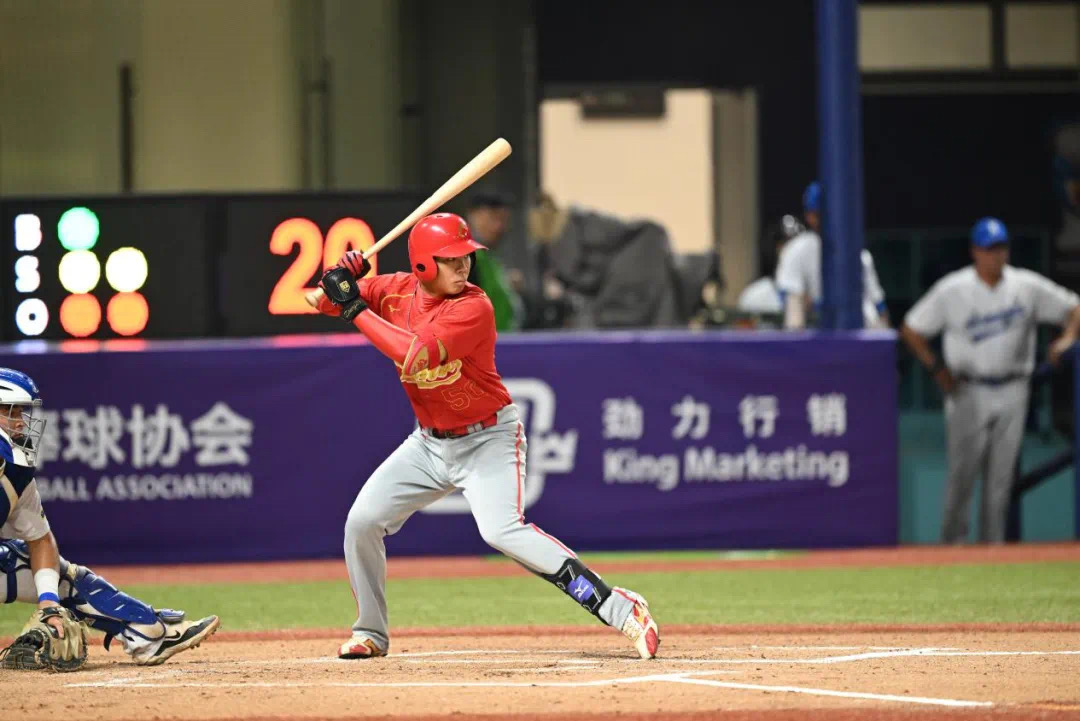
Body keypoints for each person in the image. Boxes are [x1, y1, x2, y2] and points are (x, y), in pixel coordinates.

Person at [313, 213, 660, 660]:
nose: (464, 267)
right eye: (452, 259)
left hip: (489, 439)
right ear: (422, 266)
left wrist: (353, 306)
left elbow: (412, 356)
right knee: (361, 522)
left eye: (466, 258)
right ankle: (370, 633)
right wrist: (341, 278)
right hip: (428, 444)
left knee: (501, 531)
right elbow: (319, 302)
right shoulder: (395, 289)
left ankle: (618, 607)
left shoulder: (473, 307)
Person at [0, 367, 220, 665]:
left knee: (55, 574)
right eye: (10, 412)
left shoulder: (16, 473)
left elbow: (40, 540)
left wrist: (49, 603)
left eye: (21, 414)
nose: (20, 424)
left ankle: (147, 631)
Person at [900, 218, 1080, 544]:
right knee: (961, 479)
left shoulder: (1025, 285)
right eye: (988, 249)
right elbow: (912, 329)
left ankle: (992, 555)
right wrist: (936, 367)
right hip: (967, 390)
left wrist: (1067, 338)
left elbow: (1075, 307)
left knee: (999, 484)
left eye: (999, 248)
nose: (995, 256)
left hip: (1014, 387)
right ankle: (950, 554)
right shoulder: (953, 289)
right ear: (974, 251)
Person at [775, 181, 889, 329]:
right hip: (822, 333)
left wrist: (885, 344)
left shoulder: (859, 253)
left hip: (864, 330)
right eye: (817, 214)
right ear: (809, 216)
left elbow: (879, 305)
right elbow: (791, 302)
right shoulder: (798, 249)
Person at [464, 191, 524, 332]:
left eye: (503, 220)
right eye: (493, 218)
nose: (498, 227)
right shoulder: (464, 259)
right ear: (473, 215)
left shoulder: (489, 259)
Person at [737, 214, 806, 315]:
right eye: (786, 245)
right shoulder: (755, 296)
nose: (793, 253)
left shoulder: (817, 295)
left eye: (797, 247)